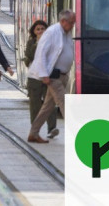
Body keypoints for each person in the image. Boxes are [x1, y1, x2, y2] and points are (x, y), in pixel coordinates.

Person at [27, 10, 76, 144]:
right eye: (71, 22)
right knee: (64, 103)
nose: (73, 25)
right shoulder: (52, 32)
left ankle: (33, 133)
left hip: (63, 75)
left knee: (47, 107)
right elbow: (41, 53)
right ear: (63, 21)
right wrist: (44, 74)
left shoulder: (66, 33)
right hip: (53, 76)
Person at [24, 20, 58, 138]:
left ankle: (52, 129)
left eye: (42, 29)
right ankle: (34, 129)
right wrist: (38, 42)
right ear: (34, 31)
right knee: (35, 105)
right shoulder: (31, 42)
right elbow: (30, 55)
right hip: (34, 77)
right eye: (37, 29)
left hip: (48, 76)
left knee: (50, 103)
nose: (40, 31)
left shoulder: (52, 42)